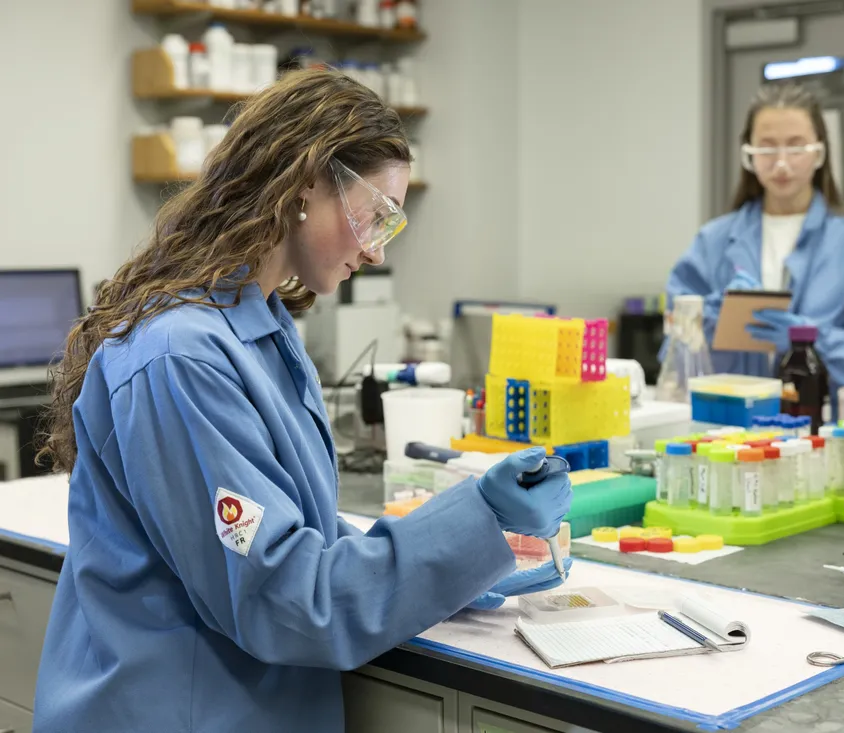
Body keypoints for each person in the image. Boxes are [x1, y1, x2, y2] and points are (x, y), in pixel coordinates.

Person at [32, 68, 572, 733]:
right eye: (377, 215)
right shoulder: (181, 355)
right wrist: (475, 520)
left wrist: (468, 564)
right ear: (305, 182)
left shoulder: (262, 324)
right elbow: (285, 596)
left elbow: (299, 532)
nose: (375, 250)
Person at [666, 83, 844, 389]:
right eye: (767, 147)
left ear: (819, 152)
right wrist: (710, 320)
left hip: (823, 427)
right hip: (727, 426)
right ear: (749, 154)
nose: (781, 163)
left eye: (796, 146)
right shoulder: (711, 242)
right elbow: (672, 361)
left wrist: (814, 341)